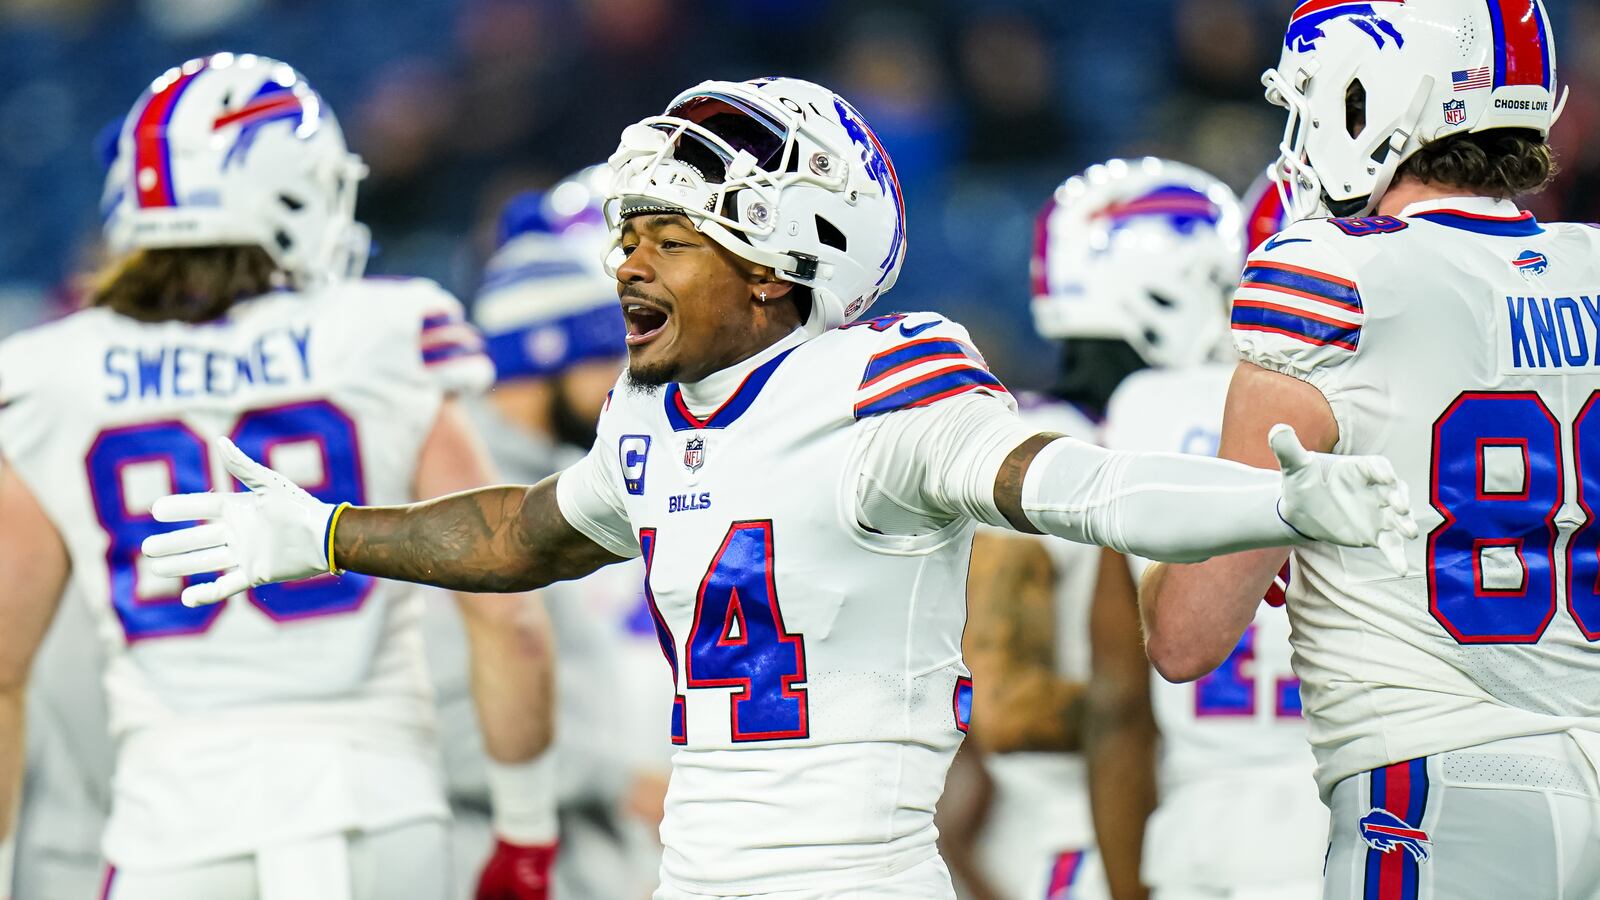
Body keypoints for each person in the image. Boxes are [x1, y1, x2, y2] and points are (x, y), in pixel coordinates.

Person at [142, 76, 1414, 899]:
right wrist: (324, 531)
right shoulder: (653, 416)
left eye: (670, 238)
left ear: (777, 269)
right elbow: (520, 532)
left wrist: (1272, 506)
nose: (629, 266)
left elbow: (1082, 488)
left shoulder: (878, 388)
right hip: (691, 876)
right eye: (627, 236)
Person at [0, 53, 557, 899]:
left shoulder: (55, 373)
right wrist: (525, 832)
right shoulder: (384, 332)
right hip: (380, 809)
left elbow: (3, 662)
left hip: (178, 831)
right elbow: (506, 612)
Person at [1141, 2, 1600, 895]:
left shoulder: (1330, 277)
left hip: (1441, 784)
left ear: (1368, 101)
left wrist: (1165, 538)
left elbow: (1187, 638)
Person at [957, 157, 1248, 900]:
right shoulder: (1029, 450)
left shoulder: (1191, 432)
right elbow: (1008, 705)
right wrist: (1207, 723)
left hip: (1195, 829)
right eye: (1223, 286)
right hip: (1077, 846)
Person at [1087, 167, 1325, 900]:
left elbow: (1117, 696)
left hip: (1197, 832)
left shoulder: (1143, 407)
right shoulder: (1415, 407)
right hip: (1368, 814)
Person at [427, 171, 665, 900]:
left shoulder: (564, 477)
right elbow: (441, 726)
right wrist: (617, 778)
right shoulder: (461, 489)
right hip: (492, 854)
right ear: (550, 348)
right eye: (614, 354)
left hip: (580, 852)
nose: (632, 380)